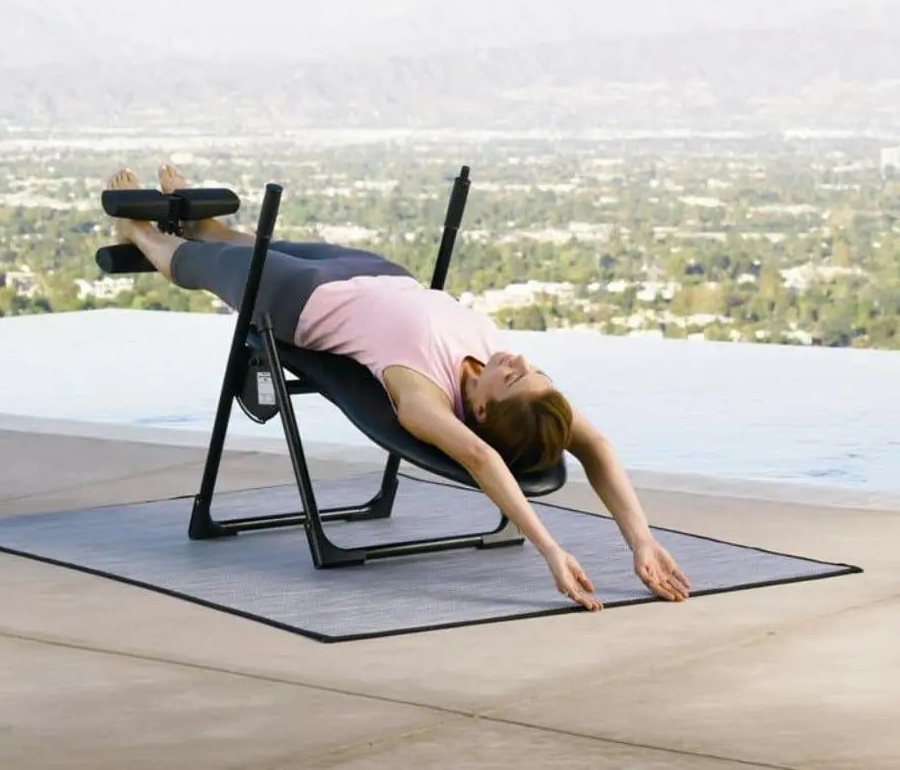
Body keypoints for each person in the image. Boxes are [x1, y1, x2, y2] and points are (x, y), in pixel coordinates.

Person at [106, 164, 691, 611]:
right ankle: (207, 227)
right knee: (238, 239)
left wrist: (551, 549)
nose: (513, 358)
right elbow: (597, 449)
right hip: (377, 273)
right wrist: (640, 541)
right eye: (528, 366)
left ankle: (143, 233)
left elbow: (483, 460)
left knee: (193, 262)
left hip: (294, 300)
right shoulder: (529, 398)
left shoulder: (423, 396)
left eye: (512, 374)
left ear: (482, 407)